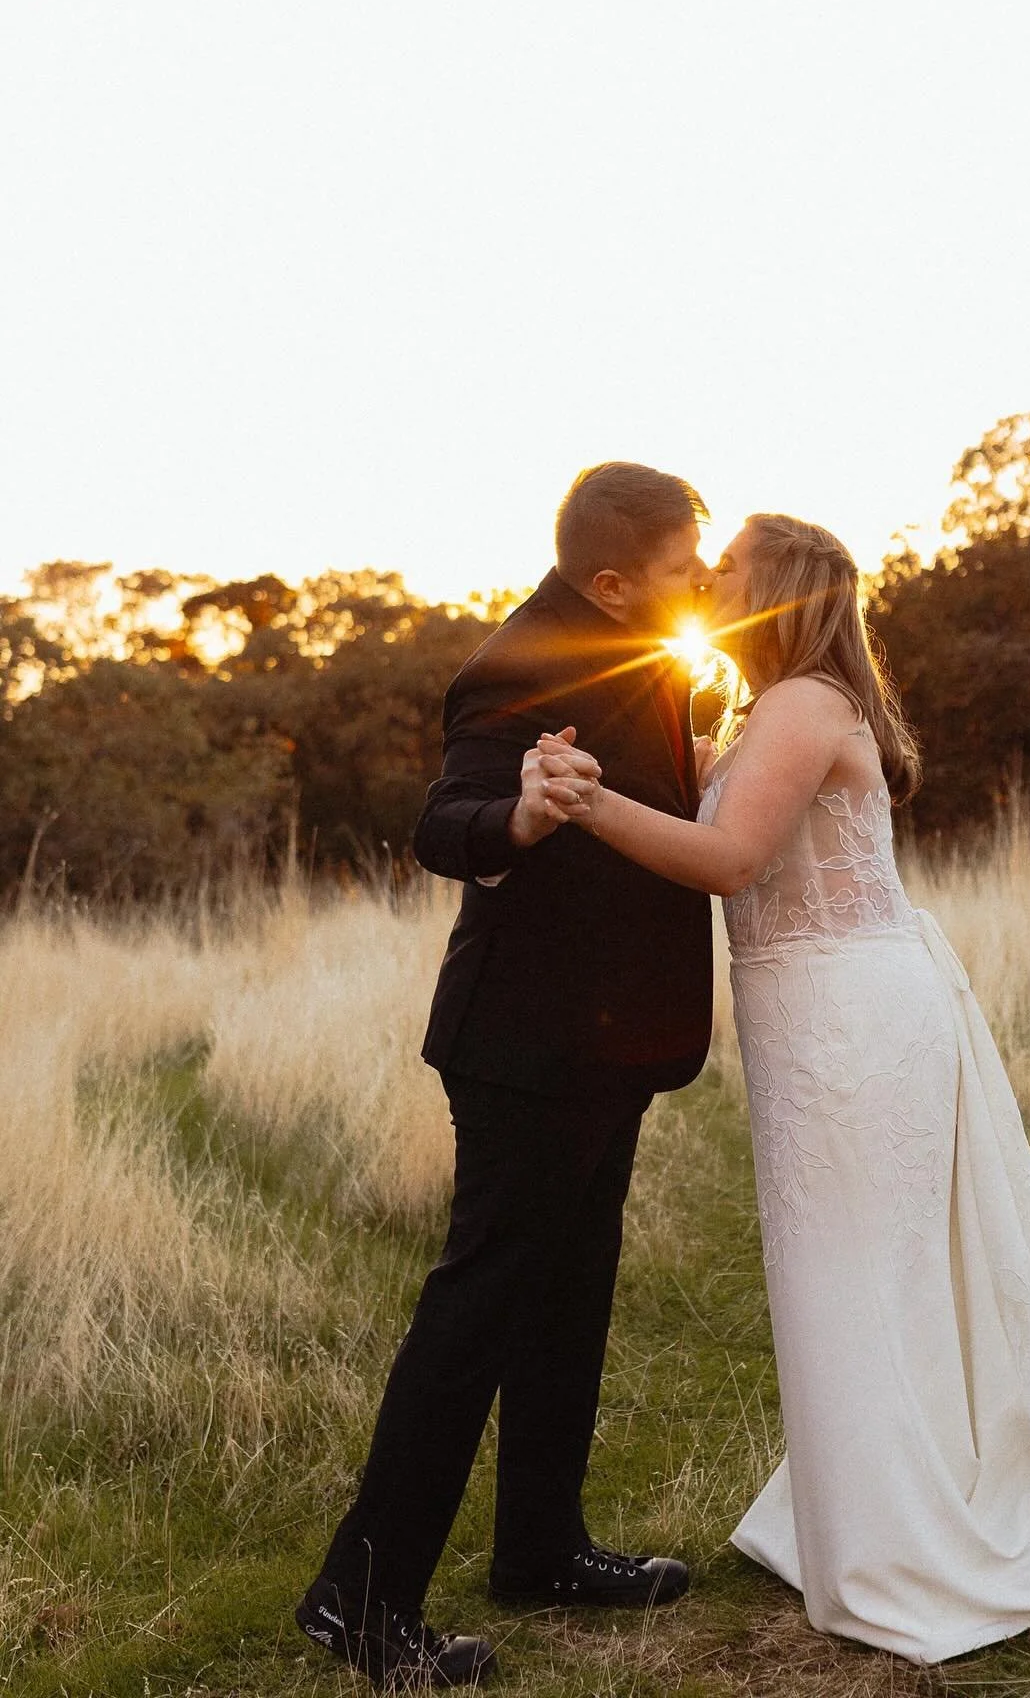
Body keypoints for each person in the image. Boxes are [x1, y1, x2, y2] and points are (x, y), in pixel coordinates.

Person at [533, 511, 1030, 1666]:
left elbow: (731, 860)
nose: (708, 579)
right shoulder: (763, 708)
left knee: (859, 1274)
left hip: (850, 1018)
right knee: (839, 1273)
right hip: (809, 1016)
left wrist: (585, 803)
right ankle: (869, 1514)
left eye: (728, 567)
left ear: (777, 589)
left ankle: (905, 1549)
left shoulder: (802, 705)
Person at [296, 463, 714, 1689]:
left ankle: (541, 1549)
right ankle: (357, 1601)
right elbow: (445, 823)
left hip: (608, 1042)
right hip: (527, 1047)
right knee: (474, 1313)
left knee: (568, 1298)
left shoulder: (637, 641)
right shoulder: (517, 664)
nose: (699, 580)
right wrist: (520, 821)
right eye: (683, 567)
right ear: (613, 582)